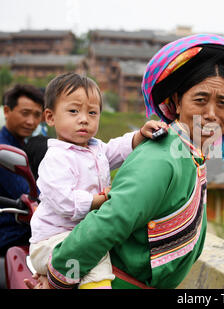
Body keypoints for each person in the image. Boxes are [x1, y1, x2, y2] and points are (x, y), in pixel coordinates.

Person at [27, 34, 224, 289]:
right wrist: (59, 276)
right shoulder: (162, 156)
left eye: (223, 103)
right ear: (177, 101)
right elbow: (108, 222)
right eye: (200, 100)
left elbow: (114, 150)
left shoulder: (187, 155)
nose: (211, 113)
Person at [27, 72, 167, 289]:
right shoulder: (56, 158)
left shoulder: (95, 148)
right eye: (73, 111)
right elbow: (65, 202)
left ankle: (52, 280)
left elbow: (115, 149)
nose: (84, 119)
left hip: (75, 238)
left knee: (92, 247)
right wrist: (99, 200)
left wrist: (139, 136)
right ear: (50, 117)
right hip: (51, 241)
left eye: (92, 112)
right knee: (96, 255)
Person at [0, 84, 44, 255]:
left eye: (37, 115)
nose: (31, 122)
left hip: (25, 231)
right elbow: (30, 195)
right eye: (25, 113)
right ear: (7, 111)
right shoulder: (4, 149)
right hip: (10, 236)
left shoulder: (24, 144)